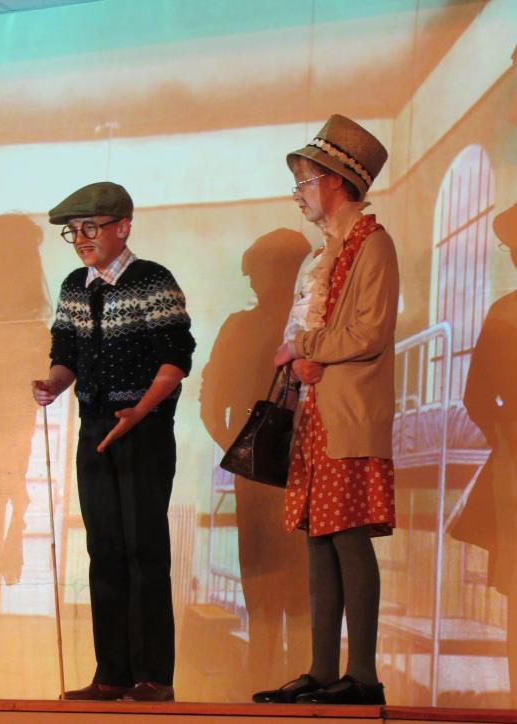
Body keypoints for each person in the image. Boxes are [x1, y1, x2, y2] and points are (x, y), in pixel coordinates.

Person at [252, 115, 399, 705]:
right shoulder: (323, 255)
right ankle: (321, 668)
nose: (299, 194)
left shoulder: (373, 244)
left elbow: (369, 331)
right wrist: (301, 358)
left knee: (348, 537)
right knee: (319, 538)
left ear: (336, 180)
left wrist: (303, 347)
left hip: (349, 413)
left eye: (305, 181)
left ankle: (362, 677)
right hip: (317, 414)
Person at [32, 182, 195, 701]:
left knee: (144, 549)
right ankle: (112, 675)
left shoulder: (152, 280)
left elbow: (176, 358)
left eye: (91, 227)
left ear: (122, 227)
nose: (81, 238)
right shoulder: (74, 287)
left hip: (144, 428)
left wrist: (141, 410)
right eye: (73, 231)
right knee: (103, 549)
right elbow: (66, 354)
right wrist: (53, 385)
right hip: (95, 427)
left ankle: (154, 678)